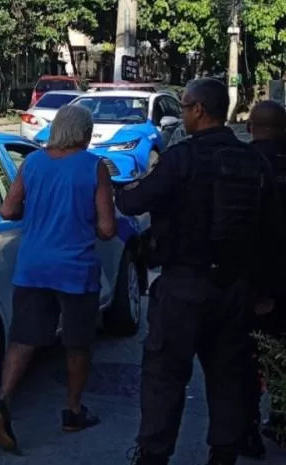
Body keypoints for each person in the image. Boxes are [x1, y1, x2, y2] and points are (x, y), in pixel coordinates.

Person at [116, 79, 279, 465]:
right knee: (228, 377)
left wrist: (117, 191)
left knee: (165, 376)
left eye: (186, 106)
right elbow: (273, 234)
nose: (184, 113)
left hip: (183, 285)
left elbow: (135, 201)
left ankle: (154, 454)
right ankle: (223, 453)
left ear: (199, 110)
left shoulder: (182, 158)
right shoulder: (255, 162)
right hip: (235, 289)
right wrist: (264, 290)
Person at [0, 104, 116, 454]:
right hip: (75, 270)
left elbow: (8, 210)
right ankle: (73, 411)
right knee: (77, 344)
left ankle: (3, 402)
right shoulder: (94, 167)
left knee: (22, 339)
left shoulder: (32, 163)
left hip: (32, 266)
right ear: (85, 133)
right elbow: (106, 228)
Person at [242, 100, 286, 456]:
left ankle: (248, 429)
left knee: (246, 358)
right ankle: (281, 418)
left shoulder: (240, 164)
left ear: (251, 126)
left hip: (250, 279)